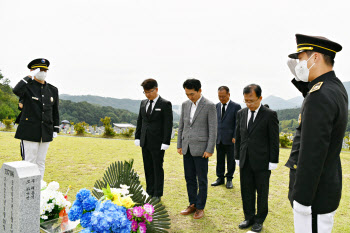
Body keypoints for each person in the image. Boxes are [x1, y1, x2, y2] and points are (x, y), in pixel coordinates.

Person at [285, 34, 347, 233]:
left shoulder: (319, 96)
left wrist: (302, 200)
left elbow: (312, 153)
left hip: (313, 196)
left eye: (302, 59)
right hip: (325, 187)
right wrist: (301, 79)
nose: (299, 64)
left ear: (316, 58)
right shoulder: (334, 87)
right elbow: (313, 95)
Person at [234, 84, 279, 232]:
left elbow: (274, 140)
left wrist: (273, 161)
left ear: (260, 98)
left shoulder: (269, 114)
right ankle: (249, 217)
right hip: (245, 160)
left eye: (252, 100)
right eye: (246, 101)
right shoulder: (241, 113)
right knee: (246, 191)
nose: (249, 104)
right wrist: (237, 157)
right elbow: (238, 137)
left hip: (262, 161)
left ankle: (259, 220)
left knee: (261, 192)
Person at [12, 58, 60, 181]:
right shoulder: (27, 87)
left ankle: (38, 189)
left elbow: (55, 110)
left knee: (40, 162)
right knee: (29, 162)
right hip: (29, 130)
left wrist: (55, 128)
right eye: (39, 70)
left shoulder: (52, 90)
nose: (42, 72)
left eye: (44, 70)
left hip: (46, 130)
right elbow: (16, 90)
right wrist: (29, 77)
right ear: (32, 71)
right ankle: (25, 190)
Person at [177, 79, 217, 219]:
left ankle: (200, 207)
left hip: (202, 149)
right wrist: (179, 145)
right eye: (187, 94)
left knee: (202, 179)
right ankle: (192, 204)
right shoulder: (184, 104)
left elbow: (213, 130)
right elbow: (181, 125)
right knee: (189, 178)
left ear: (200, 90)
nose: (189, 97)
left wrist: (210, 148)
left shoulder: (210, 106)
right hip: (186, 147)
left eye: (192, 94)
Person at [134, 79, 173, 201]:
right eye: (145, 92)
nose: (147, 95)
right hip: (144, 141)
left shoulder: (165, 104)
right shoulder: (143, 103)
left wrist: (166, 141)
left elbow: (168, 124)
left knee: (157, 167)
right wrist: (137, 136)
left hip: (158, 143)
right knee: (147, 167)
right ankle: (149, 191)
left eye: (149, 92)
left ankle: (157, 193)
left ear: (156, 89)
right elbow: (140, 121)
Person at [211, 86, 241, 189]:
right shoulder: (216, 106)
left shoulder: (236, 106)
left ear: (229, 94)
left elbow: (238, 123)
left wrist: (235, 136)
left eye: (223, 96)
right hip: (219, 138)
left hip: (230, 139)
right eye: (219, 96)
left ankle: (229, 179)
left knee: (231, 160)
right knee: (219, 159)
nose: (221, 98)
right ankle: (220, 178)